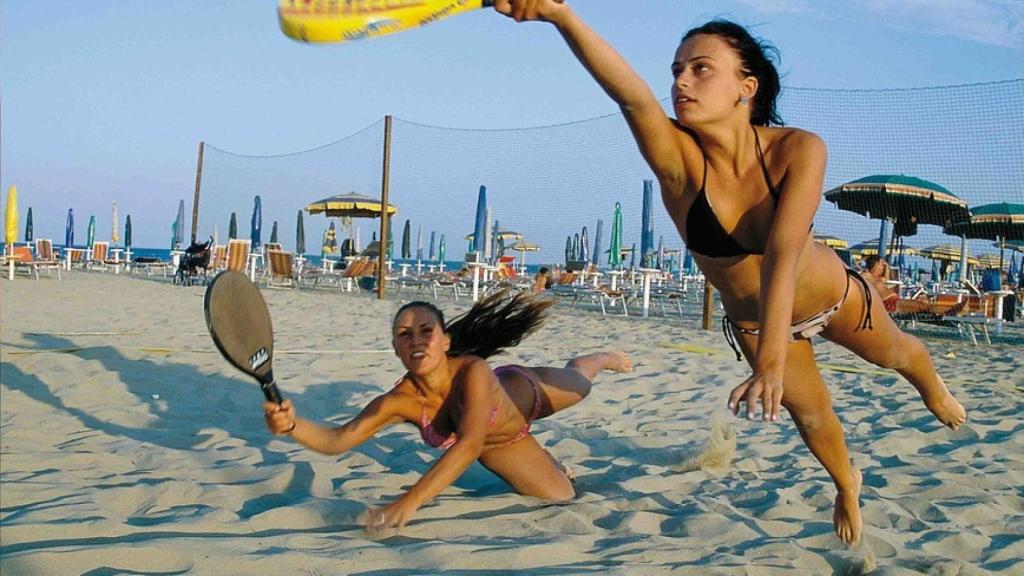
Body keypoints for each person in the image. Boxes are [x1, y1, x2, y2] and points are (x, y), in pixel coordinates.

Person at [495, 0, 965, 545]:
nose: (681, 82)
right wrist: (560, 15)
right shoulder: (678, 162)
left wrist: (771, 366)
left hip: (836, 298)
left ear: (747, 86)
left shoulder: (799, 148)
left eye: (701, 69)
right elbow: (631, 96)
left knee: (898, 355)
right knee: (813, 418)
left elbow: (784, 251)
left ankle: (932, 388)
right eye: (677, 69)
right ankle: (847, 484)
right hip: (756, 322)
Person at [264, 289, 632, 531]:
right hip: (501, 444)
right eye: (405, 334)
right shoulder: (398, 401)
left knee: (579, 382)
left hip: (525, 394)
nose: (416, 340)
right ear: (396, 347)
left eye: (427, 330)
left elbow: (467, 445)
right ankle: (550, 461)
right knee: (562, 496)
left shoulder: (473, 370)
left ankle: (597, 358)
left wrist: (409, 502)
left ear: (445, 341)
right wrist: (293, 425)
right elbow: (337, 440)